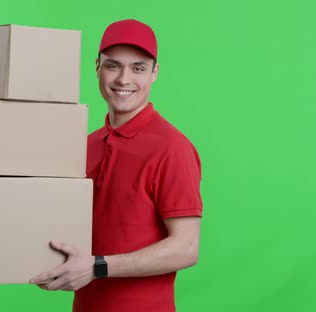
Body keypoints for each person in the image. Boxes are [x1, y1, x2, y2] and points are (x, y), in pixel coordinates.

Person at [29, 19, 203, 311]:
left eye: (138, 68)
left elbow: (186, 248)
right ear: (97, 67)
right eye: (113, 66)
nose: (124, 79)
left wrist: (97, 267)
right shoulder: (84, 145)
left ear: (154, 73)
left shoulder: (172, 148)